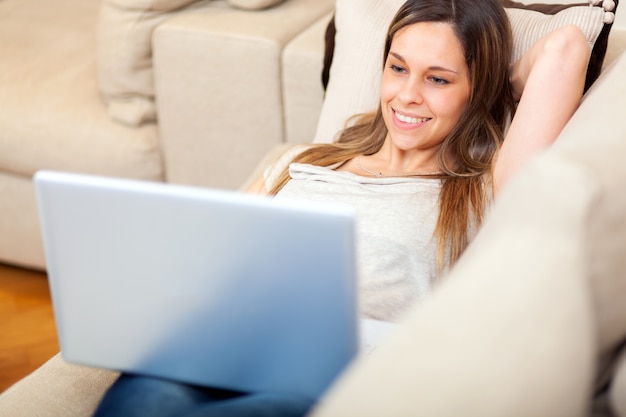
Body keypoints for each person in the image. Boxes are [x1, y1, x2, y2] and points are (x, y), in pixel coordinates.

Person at [94, 0, 591, 415]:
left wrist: (494, 83)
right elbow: (219, 258)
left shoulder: (482, 188)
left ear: (475, 88)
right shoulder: (302, 160)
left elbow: (567, 47)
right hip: (236, 339)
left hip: (344, 373)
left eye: (437, 80)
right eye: (397, 68)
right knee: (145, 394)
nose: (407, 96)